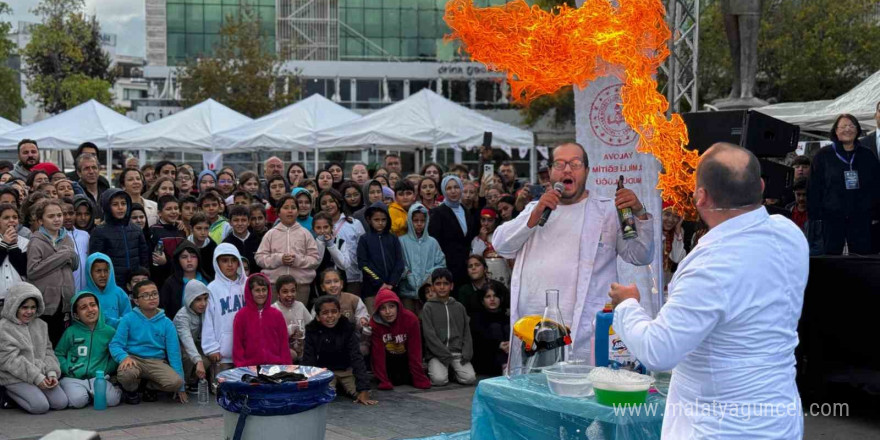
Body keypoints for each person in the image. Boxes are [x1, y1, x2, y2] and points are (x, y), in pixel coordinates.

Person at [610, 142, 808, 438]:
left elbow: (658, 350)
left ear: (701, 197)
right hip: (780, 419)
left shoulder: (711, 265)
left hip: (721, 427)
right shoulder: (789, 233)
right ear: (762, 186)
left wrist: (627, 305)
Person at [492, 142, 654, 363]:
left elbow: (640, 255)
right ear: (549, 173)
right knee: (534, 392)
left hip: (584, 332)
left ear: (587, 171)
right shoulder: (535, 209)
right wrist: (536, 211)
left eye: (575, 164)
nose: (567, 170)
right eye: (560, 164)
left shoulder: (606, 210)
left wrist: (639, 213)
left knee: (579, 391)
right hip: (533, 330)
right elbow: (501, 245)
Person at [807, 114, 879, 255]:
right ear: (835, 130)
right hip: (831, 217)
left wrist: (876, 212)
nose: (848, 129)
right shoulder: (823, 155)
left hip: (861, 217)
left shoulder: (867, 155)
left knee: (862, 257)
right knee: (831, 256)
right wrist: (816, 215)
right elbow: (814, 187)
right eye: (844, 126)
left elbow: (876, 185)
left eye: (852, 126)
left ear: (858, 130)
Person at [110, 280, 186, 404]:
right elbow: (115, 344)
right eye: (145, 295)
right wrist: (124, 357)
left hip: (156, 361)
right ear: (136, 301)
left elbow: (174, 355)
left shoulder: (167, 323)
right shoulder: (128, 319)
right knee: (126, 374)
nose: (151, 298)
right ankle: (132, 390)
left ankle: (149, 386)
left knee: (176, 382)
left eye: (155, 294)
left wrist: (181, 387)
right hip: (134, 359)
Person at [0, 283, 68, 414]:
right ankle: (7, 393)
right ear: (14, 306)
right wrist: (36, 378)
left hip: (40, 374)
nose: (29, 311)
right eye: (24, 307)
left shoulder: (41, 325)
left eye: (33, 307)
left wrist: (51, 373)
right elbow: (10, 360)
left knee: (61, 402)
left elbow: (48, 351)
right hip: (14, 376)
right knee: (40, 406)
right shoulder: (4, 328)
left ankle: (33, 391)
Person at [303, 295, 376, 405]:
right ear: (317, 317)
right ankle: (335, 386)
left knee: (360, 393)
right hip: (324, 372)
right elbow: (309, 359)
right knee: (324, 396)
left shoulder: (347, 327)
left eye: (334, 312)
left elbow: (356, 357)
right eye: (325, 313)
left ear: (339, 313)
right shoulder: (312, 330)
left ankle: (345, 386)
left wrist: (363, 389)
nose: (330, 316)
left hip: (346, 370)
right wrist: (307, 387)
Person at [55, 291, 123, 408]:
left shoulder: (109, 332)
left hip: (99, 378)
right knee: (77, 401)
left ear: (98, 307)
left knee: (112, 401)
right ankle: (87, 394)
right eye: (83, 307)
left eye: (93, 305)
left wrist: (107, 368)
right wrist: (67, 368)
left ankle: (113, 389)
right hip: (73, 378)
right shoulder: (70, 332)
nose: (90, 309)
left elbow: (116, 354)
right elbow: (59, 353)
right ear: (76, 315)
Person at [27, 199, 79, 344]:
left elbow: (74, 265)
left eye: (59, 215)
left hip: (66, 300)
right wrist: (62, 256)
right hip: (47, 302)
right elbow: (32, 271)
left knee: (63, 340)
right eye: (51, 216)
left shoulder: (67, 239)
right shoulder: (36, 241)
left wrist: (71, 256)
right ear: (40, 220)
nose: (57, 219)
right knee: (47, 341)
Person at [255, 194, 320, 302]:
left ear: (297, 212)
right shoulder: (270, 234)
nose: (290, 211)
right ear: (278, 212)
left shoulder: (305, 234)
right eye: (286, 208)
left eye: (293, 208)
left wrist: (297, 260)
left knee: (298, 317)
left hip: (300, 286)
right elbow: (260, 258)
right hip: (275, 286)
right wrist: (279, 259)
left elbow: (315, 259)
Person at [420, 269, 475, 386]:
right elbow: (429, 335)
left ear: (451, 286)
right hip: (437, 354)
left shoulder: (459, 307)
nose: (442, 287)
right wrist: (444, 354)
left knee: (470, 378)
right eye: (438, 284)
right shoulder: (428, 307)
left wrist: (467, 352)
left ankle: (453, 372)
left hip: (457, 353)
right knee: (439, 380)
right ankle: (441, 369)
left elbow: (466, 332)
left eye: (445, 284)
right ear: (433, 287)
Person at [369, 289, 431, 390]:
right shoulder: (375, 323)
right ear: (378, 311)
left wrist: (419, 378)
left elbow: (415, 351)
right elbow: (377, 355)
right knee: (395, 380)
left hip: (405, 359)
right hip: (388, 361)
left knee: (405, 378)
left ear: (398, 306)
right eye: (383, 308)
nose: (388, 312)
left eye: (391, 306)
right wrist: (383, 380)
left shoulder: (411, 319)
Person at [89, 189, 151, 288]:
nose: (120, 208)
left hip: (135, 284)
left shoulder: (136, 230)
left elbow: (144, 258)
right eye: (115, 204)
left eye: (123, 203)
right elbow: (96, 262)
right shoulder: (100, 231)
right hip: (111, 283)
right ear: (107, 207)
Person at [428, 175, 478, 291]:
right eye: (449, 188)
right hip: (447, 266)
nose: (453, 191)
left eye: (456, 187)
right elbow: (434, 241)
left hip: (465, 267)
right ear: (444, 191)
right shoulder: (438, 212)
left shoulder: (465, 210)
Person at [201, 244, 247, 371]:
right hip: (222, 355)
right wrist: (211, 348)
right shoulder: (212, 288)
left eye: (233, 260)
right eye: (225, 261)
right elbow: (207, 320)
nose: (230, 264)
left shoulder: (247, 285)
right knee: (221, 389)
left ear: (239, 262)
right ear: (217, 263)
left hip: (247, 352)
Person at [232, 273, 292, 367]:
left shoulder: (277, 315)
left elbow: (284, 344)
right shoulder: (241, 316)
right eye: (257, 290)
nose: (261, 294)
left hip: (275, 367)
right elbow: (238, 345)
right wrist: (241, 366)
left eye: (264, 290)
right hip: (250, 368)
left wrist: (287, 367)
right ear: (250, 292)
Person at [357, 202, 405, 312]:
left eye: (383, 220)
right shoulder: (364, 239)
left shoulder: (393, 238)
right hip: (372, 290)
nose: (380, 223)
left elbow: (399, 263)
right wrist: (380, 283)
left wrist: (391, 283)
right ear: (369, 220)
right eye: (376, 220)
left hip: (393, 289)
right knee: (375, 320)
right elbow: (363, 265)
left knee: (392, 317)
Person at [399, 203, 446, 314]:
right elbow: (397, 263)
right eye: (415, 221)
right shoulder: (401, 241)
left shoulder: (432, 242)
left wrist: (429, 275)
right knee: (409, 320)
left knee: (427, 321)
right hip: (407, 291)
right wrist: (407, 273)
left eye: (422, 221)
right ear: (410, 221)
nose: (419, 224)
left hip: (428, 292)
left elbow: (441, 264)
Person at [318, 189, 364, 294]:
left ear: (338, 202)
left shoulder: (354, 224)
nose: (328, 205)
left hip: (352, 277)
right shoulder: (317, 227)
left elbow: (363, 251)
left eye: (331, 201)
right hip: (328, 281)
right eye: (323, 203)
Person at [172, 279, 210, 392]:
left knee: (208, 358)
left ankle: (193, 381)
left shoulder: (205, 311)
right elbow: (186, 340)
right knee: (189, 358)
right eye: (198, 299)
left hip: (195, 345)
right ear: (189, 299)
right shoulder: (182, 317)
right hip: (178, 348)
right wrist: (198, 361)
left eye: (205, 299)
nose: (203, 303)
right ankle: (184, 383)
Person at [160, 240, 208, 320]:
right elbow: (165, 311)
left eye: (193, 256)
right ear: (178, 260)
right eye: (184, 257)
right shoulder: (170, 284)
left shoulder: (207, 280)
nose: (189, 260)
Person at [469, 286, 510, 376]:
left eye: (495, 296)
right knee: (495, 327)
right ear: (483, 301)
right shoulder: (477, 319)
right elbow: (478, 342)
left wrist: (510, 344)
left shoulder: (507, 318)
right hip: (487, 360)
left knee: (508, 328)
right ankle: (504, 366)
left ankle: (507, 366)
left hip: (508, 356)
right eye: (488, 296)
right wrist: (498, 345)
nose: (492, 299)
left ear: (500, 299)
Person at [83, 253, 132, 329]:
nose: (103, 275)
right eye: (98, 271)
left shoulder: (119, 293)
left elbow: (128, 319)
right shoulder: (83, 296)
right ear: (89, 273)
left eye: (106, 271)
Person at [272, 275, 312, 361]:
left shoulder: (300, 306)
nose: (290, 295)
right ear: (278, 293)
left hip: (302, 354)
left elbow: (311, 326)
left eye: (293, 291)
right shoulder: (273, 310)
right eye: (285, 291)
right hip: (282, 355)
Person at [0, 202, 27, 309]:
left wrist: (13, 246)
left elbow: (23, 269)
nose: (11, 220)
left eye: (15, 217)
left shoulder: (26, 243)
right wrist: (4, 244)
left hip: (19, 300)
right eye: (6, 217)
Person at [223, 205, 262, 273]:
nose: (240, 223)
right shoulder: (226, 244)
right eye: (236, 220)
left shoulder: (258, 240)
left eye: (243, 220)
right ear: (230, 222)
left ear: (249, 222)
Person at [661, 202, 686, 292]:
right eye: (667, 214)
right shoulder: (653, 230)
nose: (671, 220)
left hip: (667, 283)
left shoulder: (677, 232)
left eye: (676, 216)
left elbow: (677, 258)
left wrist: (678, 230)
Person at [76, 154, 109, 219]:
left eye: (94, 167)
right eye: (86, 168)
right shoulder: (76, 193)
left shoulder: (106, 191)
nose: (91, 171)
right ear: (79, 173)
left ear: (99, 170)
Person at [188, 213, 217, 281]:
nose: (203, 232)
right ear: (191, 229)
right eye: (199, 228)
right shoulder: (184, 246)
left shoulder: (213, 246)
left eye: (206, 228)